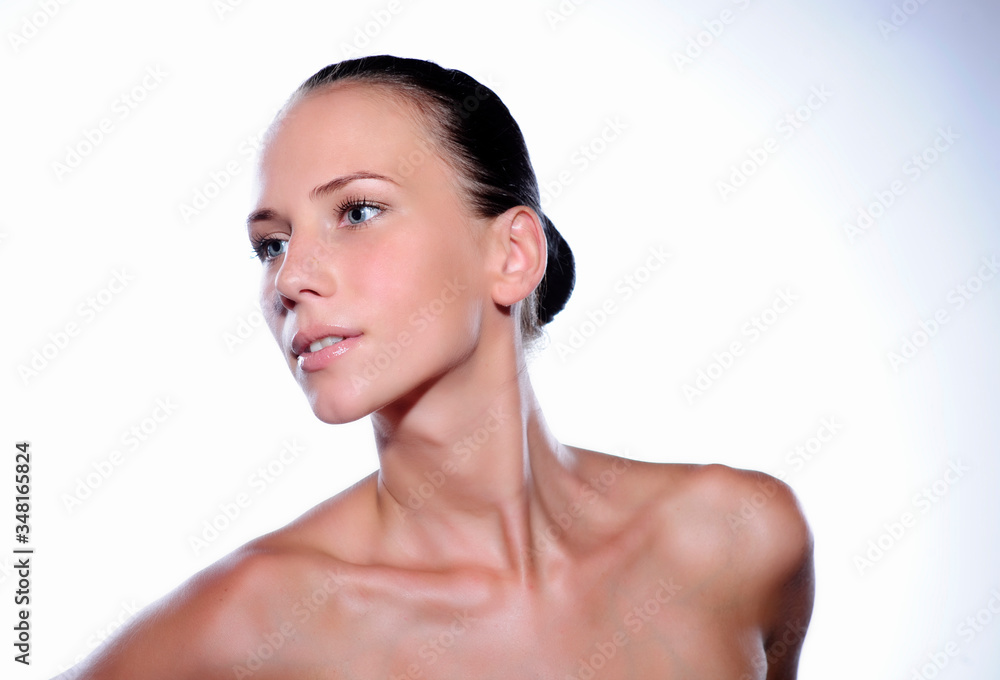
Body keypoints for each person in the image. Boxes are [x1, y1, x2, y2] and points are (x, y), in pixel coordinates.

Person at [56, 55, 813, 679]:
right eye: (271, 244)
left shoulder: (740, 538)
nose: (290, 278)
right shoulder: (255, 622)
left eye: (357, 211)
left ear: (511, 254)